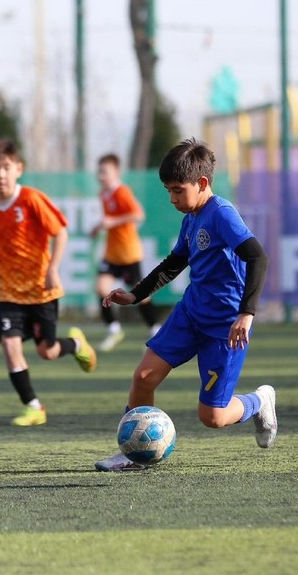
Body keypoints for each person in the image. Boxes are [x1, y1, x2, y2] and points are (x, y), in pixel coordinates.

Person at [94, 138, 275, 472]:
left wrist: (246, 314)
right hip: (190, 314)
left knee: (213, 417)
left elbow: (258, 258)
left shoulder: (221, 214)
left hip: (224, 328)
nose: (172, 198)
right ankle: (133, 455)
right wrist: (135, 294)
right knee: (143, 377)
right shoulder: (191, 217)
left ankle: (259, 401)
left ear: (202, 183)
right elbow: (174, 263)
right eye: (168, 191)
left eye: (178, 190)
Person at [0, 138, 97, 427]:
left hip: (42, 291)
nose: (0, 174)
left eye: (6, 167)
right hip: (9, 294)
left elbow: (60, 233)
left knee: (47, 351)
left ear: (18, 169)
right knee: (9, 345)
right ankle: (34, 406)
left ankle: (76, 344)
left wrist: (52, 268)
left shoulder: (32, 199)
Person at [90, 153, 160, 352]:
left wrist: (112, 221)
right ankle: (114, 330)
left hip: (129, 254)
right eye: (99, 172)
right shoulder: (103, 194)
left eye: (105, 172)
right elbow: (110, 220)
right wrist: (98, 227)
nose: (101, 176)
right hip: (112, 254)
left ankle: (155, 330)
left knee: (140, 294)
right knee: (101, 288)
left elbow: (138, 215)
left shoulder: (122, 192)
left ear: (116, 172)